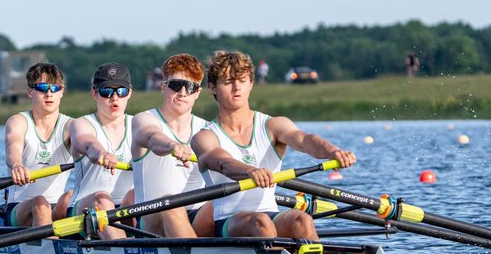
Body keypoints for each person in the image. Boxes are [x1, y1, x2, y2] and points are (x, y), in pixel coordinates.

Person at [193, 51, 356, 240]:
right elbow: (222, 162)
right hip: (228, 220)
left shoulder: (272, 125)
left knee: (301, 219)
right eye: (228, 82)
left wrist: (332, 151)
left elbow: (304, 140)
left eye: (242, 80)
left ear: (251, 83)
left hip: (270, 214)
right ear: (213, 87)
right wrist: (250, 171)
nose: (236, 87)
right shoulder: (205, 137)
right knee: (260, 222)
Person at [131, 53, 215, 238]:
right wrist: (172, 146)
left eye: (190, 87)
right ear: (163, 86)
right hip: (152, 214)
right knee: (171, 205)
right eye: (176, 85)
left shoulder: (208, 129)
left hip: (196, 216)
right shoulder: (144, 119)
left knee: (230, 202)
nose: (183, 93)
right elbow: (152, 137)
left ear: (198, 93)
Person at [0, 62, 73, 227]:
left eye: (55, 88)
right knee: (40, 203)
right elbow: (13, 147)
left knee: (71, 197)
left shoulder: (71, 126)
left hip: (56, 207)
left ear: (62, 92)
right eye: (43, 88)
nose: (49, 93)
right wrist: (17, 165)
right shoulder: (19, 122)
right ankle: (49, 249)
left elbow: (88, 143)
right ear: (30, 92)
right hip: (21, 208)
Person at [67, 63, 135, 241]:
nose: (114, 98)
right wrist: (101, 153)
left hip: (128, 208)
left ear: (130, 93)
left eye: (121, 91)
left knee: (139, 196)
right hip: (86, 209)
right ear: (94, 93)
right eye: (106, 92)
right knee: (102, 199)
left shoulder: (140, 125)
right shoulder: (81, 124)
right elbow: (87, 142)